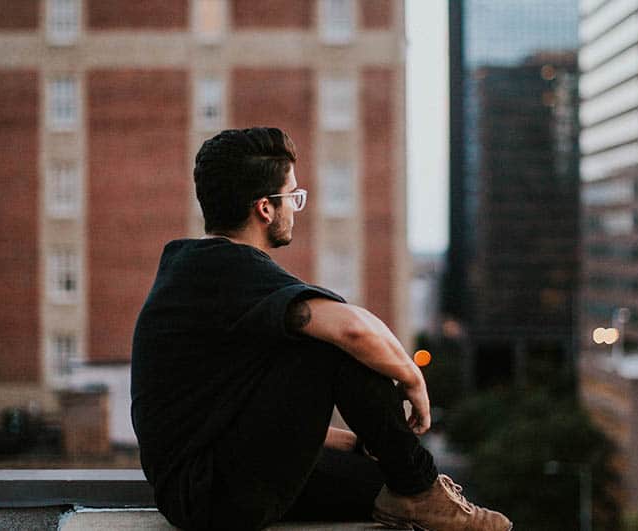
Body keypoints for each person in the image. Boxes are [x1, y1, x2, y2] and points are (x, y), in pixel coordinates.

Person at [131, 127, 512, 531]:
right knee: (326, 344)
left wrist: (353, 444)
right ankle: (421, 490)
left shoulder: (197, 271)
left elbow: (232, 407)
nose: (296, 207)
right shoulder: (228, 269)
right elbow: (352, 330)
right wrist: (411, 375)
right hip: (214, 496)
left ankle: (411, 492)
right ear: (265, 208)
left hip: (204, 487)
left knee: (379, 482)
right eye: (292, 196)